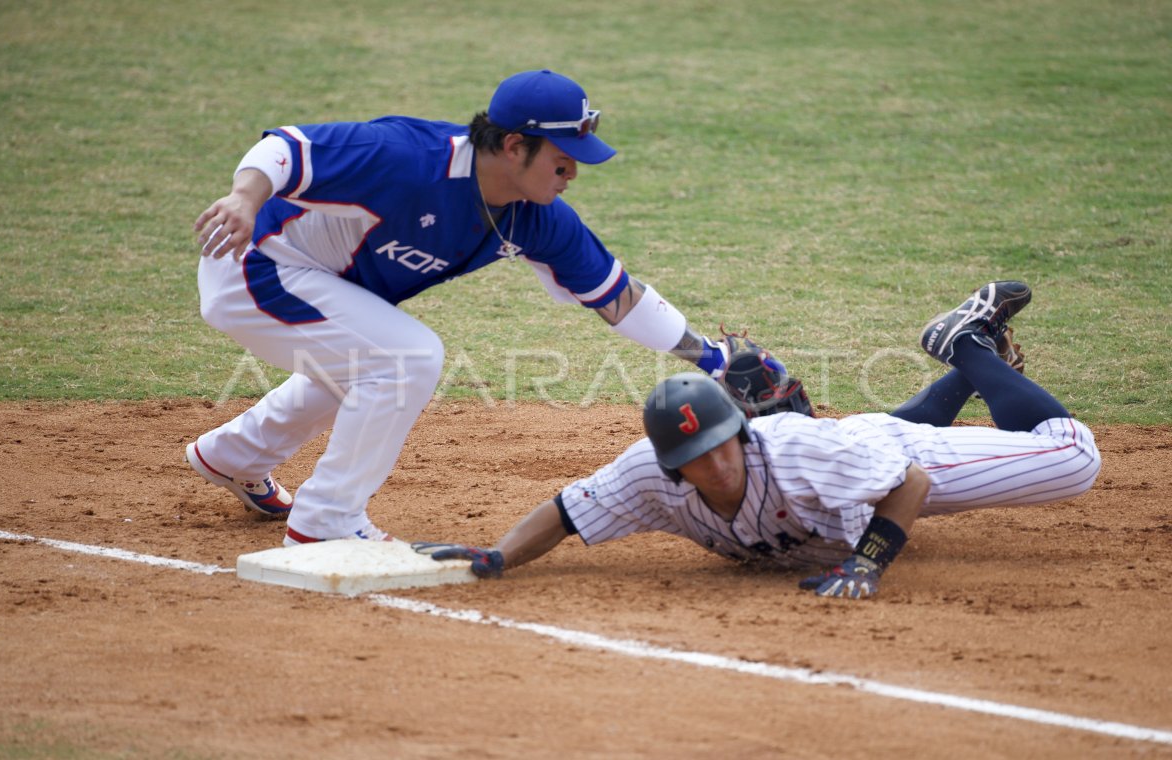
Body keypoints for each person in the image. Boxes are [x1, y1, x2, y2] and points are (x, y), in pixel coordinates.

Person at [186, 69, 775, 547]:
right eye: (562, 159)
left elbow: (617, 297)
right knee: (405, 360)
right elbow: (288, 148)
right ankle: (326, 523)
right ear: (514, 144)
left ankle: (234, 456)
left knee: (368, 362)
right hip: (253, 262)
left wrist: (714, 358)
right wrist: (244, 196)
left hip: (316, 282)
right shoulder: (411, 157)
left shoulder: (536, 215)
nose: (572, 174)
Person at [414, 281, 1102, 600]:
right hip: (855, 458)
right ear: (671, 466)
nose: (715, 463)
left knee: (1073, 459)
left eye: (723, 445)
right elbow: (566, 511)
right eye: (695, 458)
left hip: (882, 465)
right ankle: (964, 366)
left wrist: (868, 564)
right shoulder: (646, 476)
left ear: (742, 432)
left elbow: (909, 483)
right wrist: (499, 556)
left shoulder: (796, 451)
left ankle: (965, 344)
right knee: (873, 449)